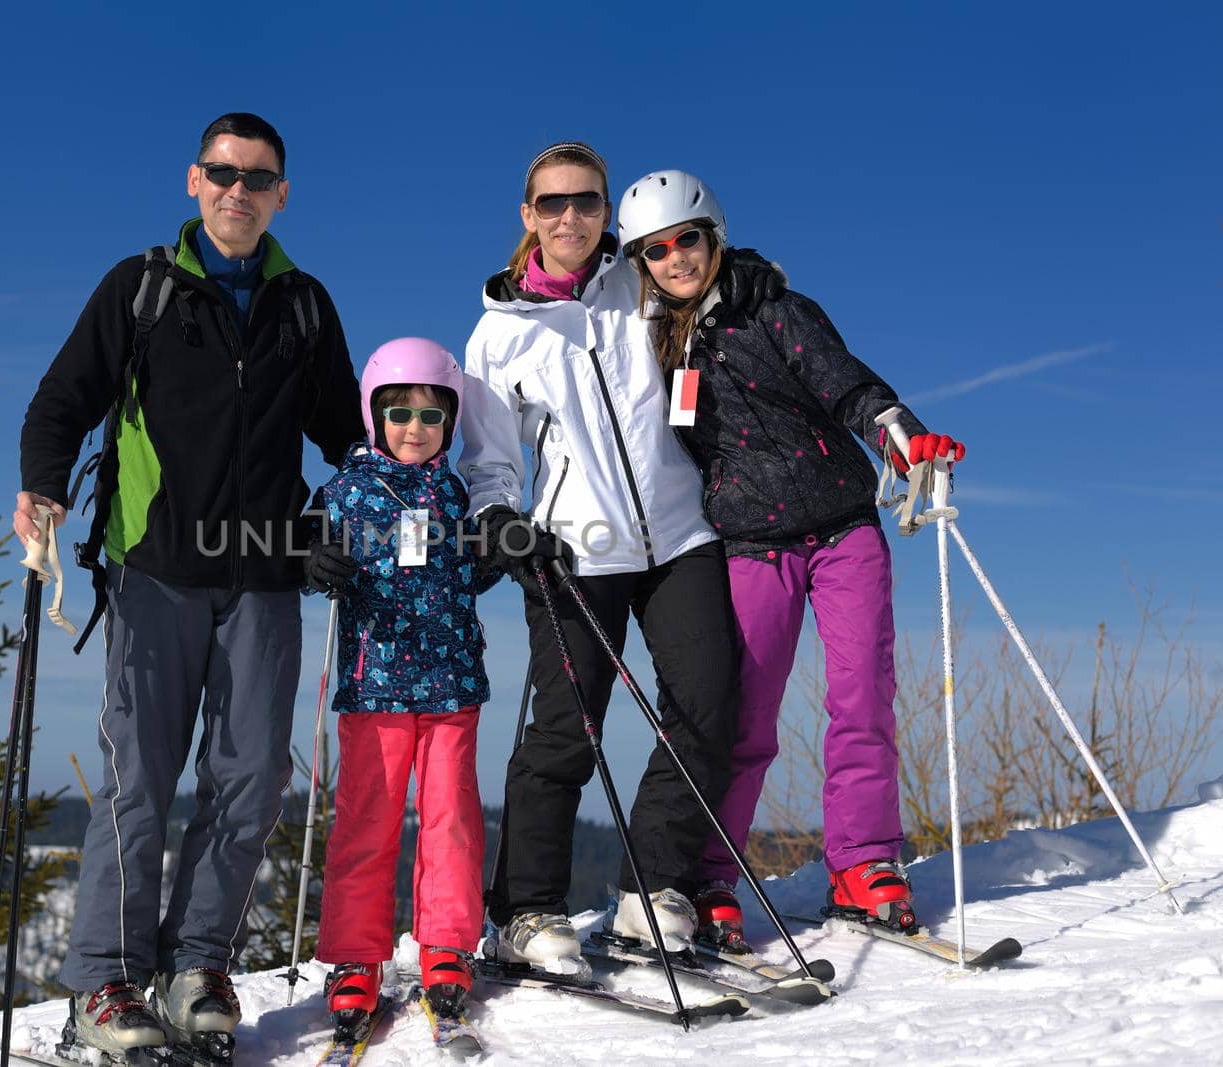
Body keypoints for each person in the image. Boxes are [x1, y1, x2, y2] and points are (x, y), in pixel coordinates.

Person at [15, 112, 363, 1057]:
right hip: (155, 571)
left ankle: (196, 963)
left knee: (250, 777)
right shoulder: (143, 289)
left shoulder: (304, 304)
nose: (237, 190)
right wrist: (42, 483)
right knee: (139, 777)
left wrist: (373, 505)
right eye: (222, 172)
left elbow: (349, 434)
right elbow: (63, 399)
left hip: (264, 575)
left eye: (256, 177)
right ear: (193, 181)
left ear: (282, 193)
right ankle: (106, 980)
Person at [615, 169, 965, 948]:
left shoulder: (774, 310)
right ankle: (711, 873)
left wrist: (899, 433)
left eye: (687, 240)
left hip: (843, 527)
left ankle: (865, 862)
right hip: (749, 544)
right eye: (656, 251)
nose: (676, 259)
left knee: (862, 698)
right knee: (745, 714)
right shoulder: (662, 348)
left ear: (715, 235)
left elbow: (843, 384)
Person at [458, 142, 783, 976]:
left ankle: (653, 891)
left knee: (708, 708)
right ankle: (525, 910)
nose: (572, 217)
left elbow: (699, 272)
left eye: (588, 201)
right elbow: (491, 460)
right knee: (568, 731)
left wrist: (748, 273)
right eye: (554, 203)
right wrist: (499, 518)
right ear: (528, 216)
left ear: (608, 211)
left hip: (681, 537)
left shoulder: (635, 280)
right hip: (573, 551)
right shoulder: (497, 336)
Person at [300, 337, 502, 1028]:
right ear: (372, 414)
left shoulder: (456, 488)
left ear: (450, 420)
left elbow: (469, 567)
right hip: (376, 684)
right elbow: (305, 540)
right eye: (398, 413)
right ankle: (356, 955)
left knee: (451, 819)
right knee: (368, 820)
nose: (414, 427)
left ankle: (447, 943)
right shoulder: (346, 488)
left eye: (430, 414)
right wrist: (313, 556)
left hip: (449, 685)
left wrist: (492, 557)